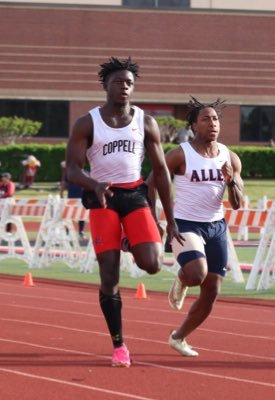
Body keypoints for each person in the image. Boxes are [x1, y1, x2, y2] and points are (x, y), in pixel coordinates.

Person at [65, 57, 183, 367]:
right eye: (118, 82)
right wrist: (94, 183)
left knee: (154, 264)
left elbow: (160, 171)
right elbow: (72, 169)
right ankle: (119, 345)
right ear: (106, 85)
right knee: (109, 276)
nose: (124, 87)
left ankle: (130, 240)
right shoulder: (87, 122)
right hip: (102, 198)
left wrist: (170, 221)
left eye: (129, 82)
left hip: (133, 195)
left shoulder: (145, 122)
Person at [152, 97, 243, 357]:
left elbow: (237, 203)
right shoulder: (180, 154)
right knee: (196, 274)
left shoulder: (230, 157)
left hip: (216, 226)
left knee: (212, 291)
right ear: (193, 126)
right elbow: (152, 181)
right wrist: (158, 218)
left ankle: (179, 337)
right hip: (185, 223)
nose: (212, 123)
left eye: (215, 119)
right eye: (205, 119)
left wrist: (231, 183)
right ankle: (182, 279)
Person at [60, 160, 86, 240]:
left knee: (78, 216)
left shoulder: (72, 173)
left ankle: (77, 233)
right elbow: (64, 184)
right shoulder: (83, 173)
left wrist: (61, 193)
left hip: (78, 197)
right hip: (74, 198)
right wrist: (61, 193)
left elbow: (64, 184)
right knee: (73, 216)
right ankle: (72, 233)